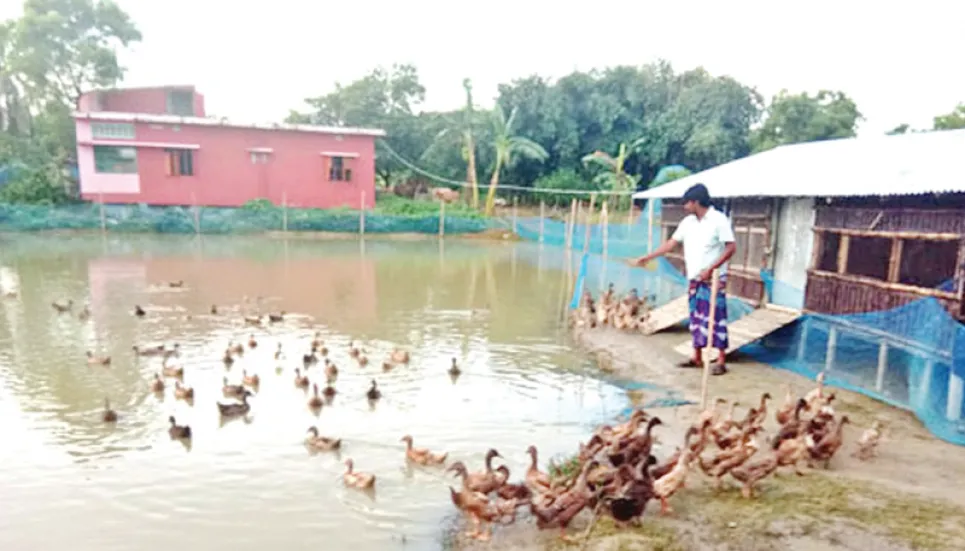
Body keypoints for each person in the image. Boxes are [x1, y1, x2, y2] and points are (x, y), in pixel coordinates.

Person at [632, 183, 736, 375]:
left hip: (712, 279)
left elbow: (731, 248)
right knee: (696, 317)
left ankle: (720, 360)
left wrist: (711, 269)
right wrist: (648, 257)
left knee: (716, 318)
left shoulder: (718, 220)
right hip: (695, 278)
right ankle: (696, 357)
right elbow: (672, 243)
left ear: (696, 202)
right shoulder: (688, 222)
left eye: (687, 203)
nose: (684, 206)